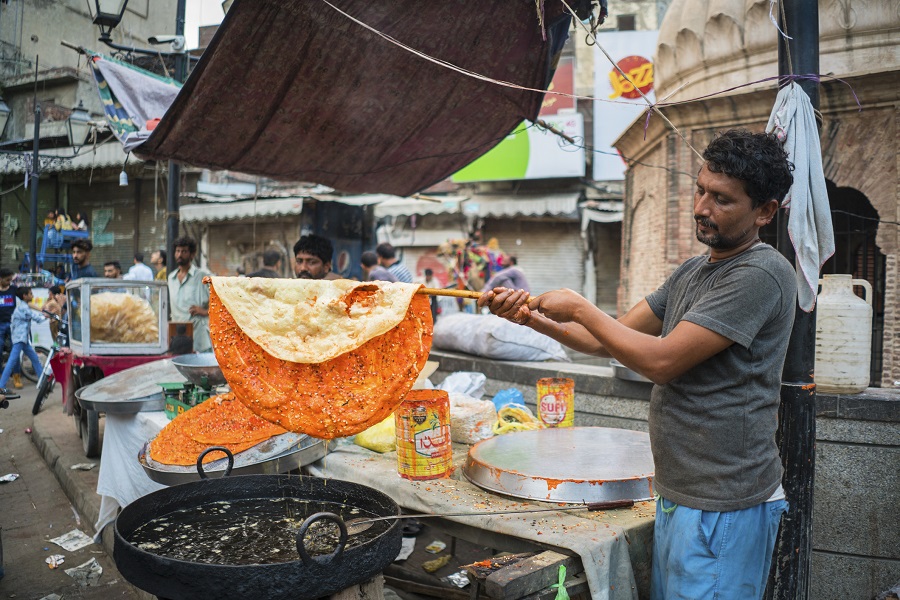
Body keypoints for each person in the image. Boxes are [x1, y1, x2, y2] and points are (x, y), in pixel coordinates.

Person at [479, 130, 796, 600]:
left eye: (722, 200)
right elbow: (600, 340)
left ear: (765, 211)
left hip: (725, 503)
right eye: (700, 190)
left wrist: (581, 306)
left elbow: (662, 362)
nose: (701, 208)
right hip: (680, 492)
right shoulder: (693, 271)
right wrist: (530, 317)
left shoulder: (761, 274)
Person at [167, 236, 212, 353]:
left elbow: (220, 302)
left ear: (192, 254)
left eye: (184, 251)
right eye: (177, 251)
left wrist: (204, 311)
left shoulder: (202, 276)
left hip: (199, 336)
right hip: (178, 335)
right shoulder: (171, 278)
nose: (180, 255)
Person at [0, 287, 46, 395]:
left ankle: (43, 381)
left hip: (22, 339)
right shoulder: (23, 308)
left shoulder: (23, 306)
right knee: (11, 361)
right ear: (25, 296)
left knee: (35, 358)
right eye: (30, 294)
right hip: (19, 339)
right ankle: (1, 386)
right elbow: (37, 318)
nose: (32, 296)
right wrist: (47, 315)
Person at [0, 269, 23, 390]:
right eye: (7, 280)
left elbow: (25, 299)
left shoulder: (14, 290)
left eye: (10, 280)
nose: (9, 282)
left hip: (13, 324)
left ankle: (16, 376)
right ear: (0, 279)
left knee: (15, 351)